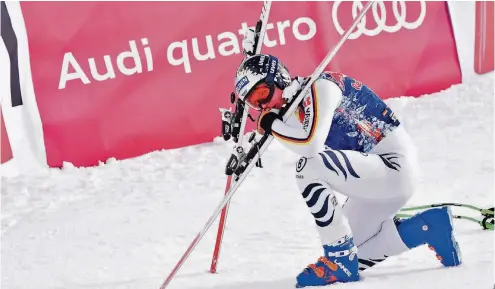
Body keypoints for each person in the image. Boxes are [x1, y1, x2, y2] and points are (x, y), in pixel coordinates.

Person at [234, 30, 462, 288]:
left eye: (263, 93)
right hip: (375, 177)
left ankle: (338, 258)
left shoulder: (320, 87)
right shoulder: (297, 108)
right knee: (357, 253)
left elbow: (310, 145)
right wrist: (266, 129)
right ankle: (429, 227)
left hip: (393, 168)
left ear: (280, 78)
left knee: (308, 166)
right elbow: (295, 135)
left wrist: (271, 123)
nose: (263, 105)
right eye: (254, 103)